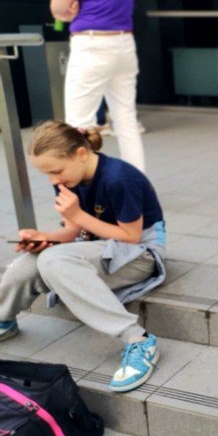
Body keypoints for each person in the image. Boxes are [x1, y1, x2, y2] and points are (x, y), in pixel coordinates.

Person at [0, 121, 166, 392]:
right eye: (47, 174)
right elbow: (72, 231)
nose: (54, 180)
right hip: (96, 246)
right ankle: (3, 320)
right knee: (27, 264)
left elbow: (131, 236)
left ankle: (139, 339)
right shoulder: (69, 178)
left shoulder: (120, 178)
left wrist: (78, 215)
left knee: (53, 261)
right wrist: (44, 237)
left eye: (56, 171)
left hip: (139, 255)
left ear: (80, 153)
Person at [50, 0, 146, 172]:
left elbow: (57, 6)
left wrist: (68, 12)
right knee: (126, 122)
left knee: (78, 125)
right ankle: (137, 186)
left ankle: (83, 190)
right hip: (124, 46)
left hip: (93, 47)